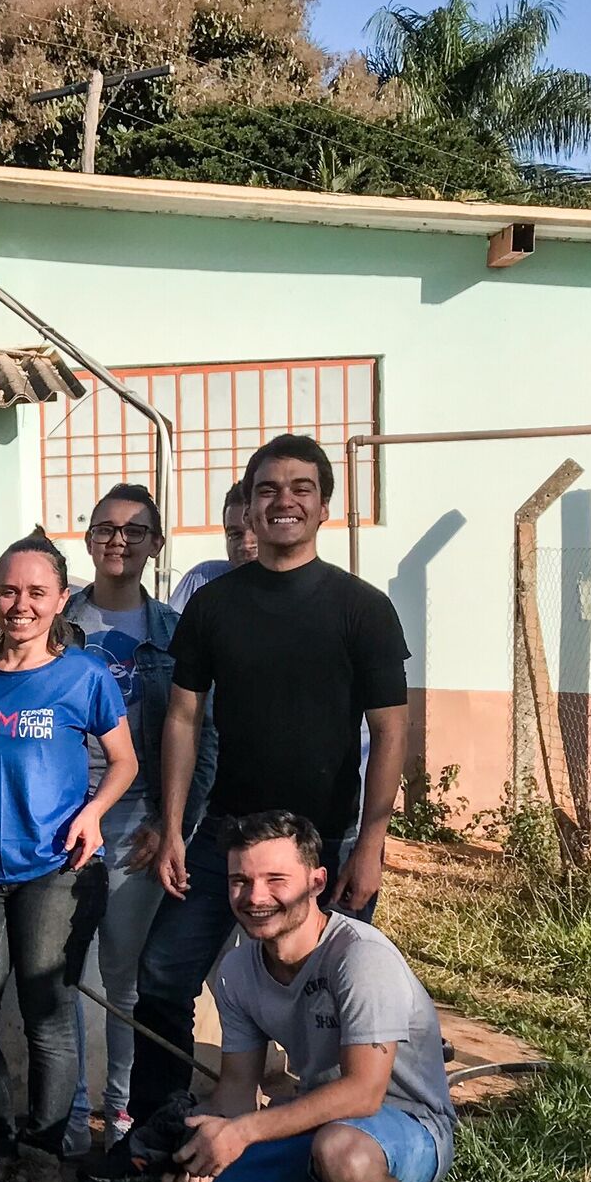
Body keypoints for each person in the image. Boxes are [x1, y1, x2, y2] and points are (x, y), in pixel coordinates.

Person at [127, 434, 410, 1129]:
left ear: (323, 506)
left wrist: (371, 843)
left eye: (301, 488)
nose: (284, 500)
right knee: (163, 975)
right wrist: (170, 825)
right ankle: (157, 1128)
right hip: (226, 834)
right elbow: (185, 719)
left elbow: (395, 732)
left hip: (327, 844)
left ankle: (334, 1142)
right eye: (268, 489)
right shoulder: (214, 607)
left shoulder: (362, 608)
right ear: (250, 508)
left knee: (335, 999)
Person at [161, 811, 455, 1182]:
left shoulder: (360, 957)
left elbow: (364, 1093)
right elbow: (235, 1093)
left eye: (276, 881)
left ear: (316, 882)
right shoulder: (235, 971)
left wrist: (245, 1132)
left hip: (409, 1127)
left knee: (342, 1147)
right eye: (239, 881)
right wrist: (203, 1137)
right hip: (318, 1122)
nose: (255, 897)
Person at [0, 532, 136, 1182]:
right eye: (9, 591)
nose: (20, 605)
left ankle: (45, 1162)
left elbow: (125, 763)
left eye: (36, 593)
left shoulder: (84, 676)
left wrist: (95, 813)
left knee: (47, 1018)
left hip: (57, 869)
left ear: (60, 600)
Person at [60, 485, 216, 1154]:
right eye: (105, 528)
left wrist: (173, 822)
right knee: (60, 973)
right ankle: (68, 1111)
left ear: (156, 543)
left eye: (134, 529)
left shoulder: (177, 634)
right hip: (60, 819)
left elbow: (205, 739)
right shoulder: (56, 624)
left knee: (123, 978)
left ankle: (120, 1113)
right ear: (89, 538)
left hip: (140, 821)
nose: (118, 539)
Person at [167, 480, 257, 611]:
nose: (246, 544)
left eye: (256, 530)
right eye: (235, 534)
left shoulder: (295, 594)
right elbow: (168, 629)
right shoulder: (203, 580)